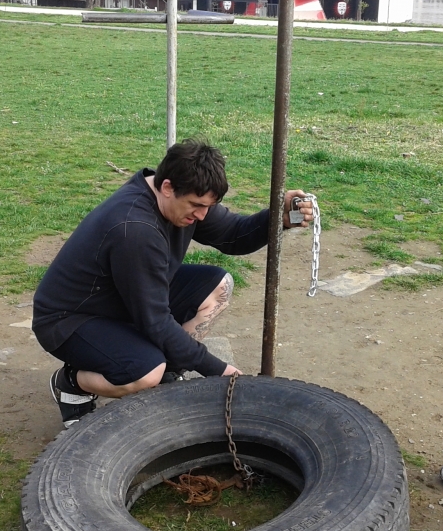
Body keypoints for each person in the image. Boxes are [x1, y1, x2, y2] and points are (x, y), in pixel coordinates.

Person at [32, 139, 314, 428]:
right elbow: (154, 321)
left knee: (218, 286)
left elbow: (234, 235)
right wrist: (219, 370)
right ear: (167, 187)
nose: (201, 215)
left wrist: (277, 217)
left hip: (121, 297)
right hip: (70, 320)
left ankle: (166, 368)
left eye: (208, 207)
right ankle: (72, 383)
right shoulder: (135, 229)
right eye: (196, 206)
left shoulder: (182, 193)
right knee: (145, 373)